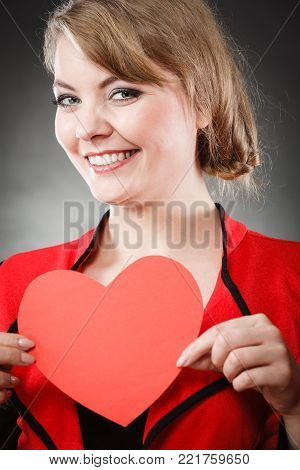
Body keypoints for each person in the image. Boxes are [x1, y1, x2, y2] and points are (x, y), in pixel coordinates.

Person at [0, 0, 300, 450]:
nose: (87, 128)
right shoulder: (12, 284)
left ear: (204, 101)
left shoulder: (290, 279)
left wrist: (296, 407)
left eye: (123, 92)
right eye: (69, 99)